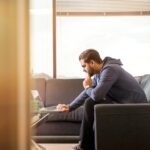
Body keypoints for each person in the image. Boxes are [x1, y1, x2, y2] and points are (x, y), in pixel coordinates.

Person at [57, 49, 147, 150]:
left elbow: (96, 95)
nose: (83, 69)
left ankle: (85, 146)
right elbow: (87, 93)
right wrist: (70, 106)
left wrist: (87, 87)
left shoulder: (110, 69)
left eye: (84, 66)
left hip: (136, 108)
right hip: (122, 103)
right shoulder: (99, 74)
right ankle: (85, 145)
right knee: (90, 102)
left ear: (92, 62)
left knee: (91, 102)